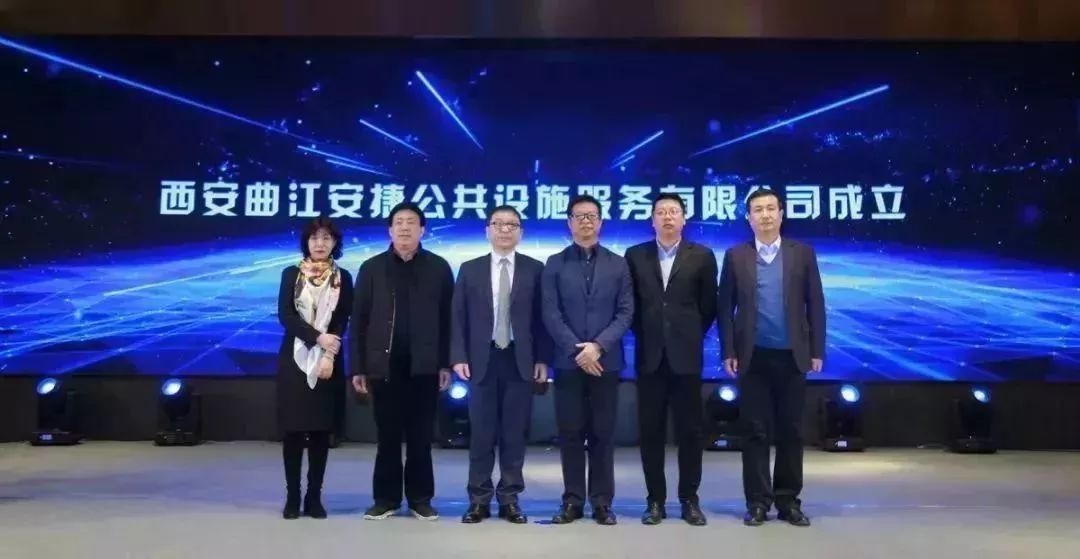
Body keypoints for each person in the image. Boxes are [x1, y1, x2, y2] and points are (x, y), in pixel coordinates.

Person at [717, 188, 826, 527]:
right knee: (755, 431)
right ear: (748, 217)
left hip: (792, 356)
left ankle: (788, 501)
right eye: (757, 210)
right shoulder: (736, 256)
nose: (764, 215)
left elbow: (815, 302)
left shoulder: (802, 253)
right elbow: (725, 308)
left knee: (791, 431)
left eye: (770, 209)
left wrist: (817, 349)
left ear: (781, 214)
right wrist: (728, 350)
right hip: (753, 357)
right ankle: (758, 502)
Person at [349, 202, 454, 521]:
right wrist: (358, 367)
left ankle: (421, 499)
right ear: (390, 230)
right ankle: (386, 499)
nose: (405, 227)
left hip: (425, 366)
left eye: (411, 222)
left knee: (421, 437)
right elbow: (359, 319)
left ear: (423, 229)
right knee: (388, 437)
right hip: (384, 365)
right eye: (399, 222)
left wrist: (445, 363)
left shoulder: (438, 267)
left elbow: (448, 320)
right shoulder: (372, 268)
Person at [451, 205, 552, 524]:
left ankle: (510, 498)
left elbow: (542, 319)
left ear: (521, 232)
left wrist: (542, 358)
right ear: (488, 230)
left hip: (520, 360)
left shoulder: (535, 269)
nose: (505, 229)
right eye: (499, 224)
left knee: (514, 434)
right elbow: (458, 317)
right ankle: (478, 499)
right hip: (481, 360)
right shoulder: (470, 269)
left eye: (512, 225)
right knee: (481, 434)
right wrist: (458, 356)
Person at [624, 193, 717, 526]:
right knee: (651, 433)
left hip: (686, 358)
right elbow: (630, 306)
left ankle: (689, 500)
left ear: (683, 218)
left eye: (673, 212)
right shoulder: (635, 255)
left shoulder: (702, 256)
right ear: (652, 219)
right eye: (661, 212)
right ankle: (655, 501)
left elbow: (708, 306)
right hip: (649, 357)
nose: (667, 217)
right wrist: (649, 332)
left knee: (690, 432)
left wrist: (686, 333)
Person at [541, 194, 634, 526]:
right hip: (568, 363)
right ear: (569, 223)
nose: (585, 221)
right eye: (579, 216)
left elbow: (626, 312)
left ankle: (602, 502)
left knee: (602, 435)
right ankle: (572, 501)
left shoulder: (619, 263)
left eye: (591, 216)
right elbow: (550, 312)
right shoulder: (554, 263)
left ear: (601, 222)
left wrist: (598, 347)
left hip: (605, 362)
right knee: (570, 434)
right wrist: (577, 351)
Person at [276, 216, 353, 520]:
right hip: (294, 359)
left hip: (328, 359)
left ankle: (314, 496)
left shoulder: (343, 277)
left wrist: (328, 353)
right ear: (306, 243)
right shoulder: (291, 274)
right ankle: (293, 496)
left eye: (326, 238)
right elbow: (286, 315)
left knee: (321, 431)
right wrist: (316, 337)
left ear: (335, 243)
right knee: (294, 431)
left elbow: (342, 318)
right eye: (314, 238)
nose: (320, 244)